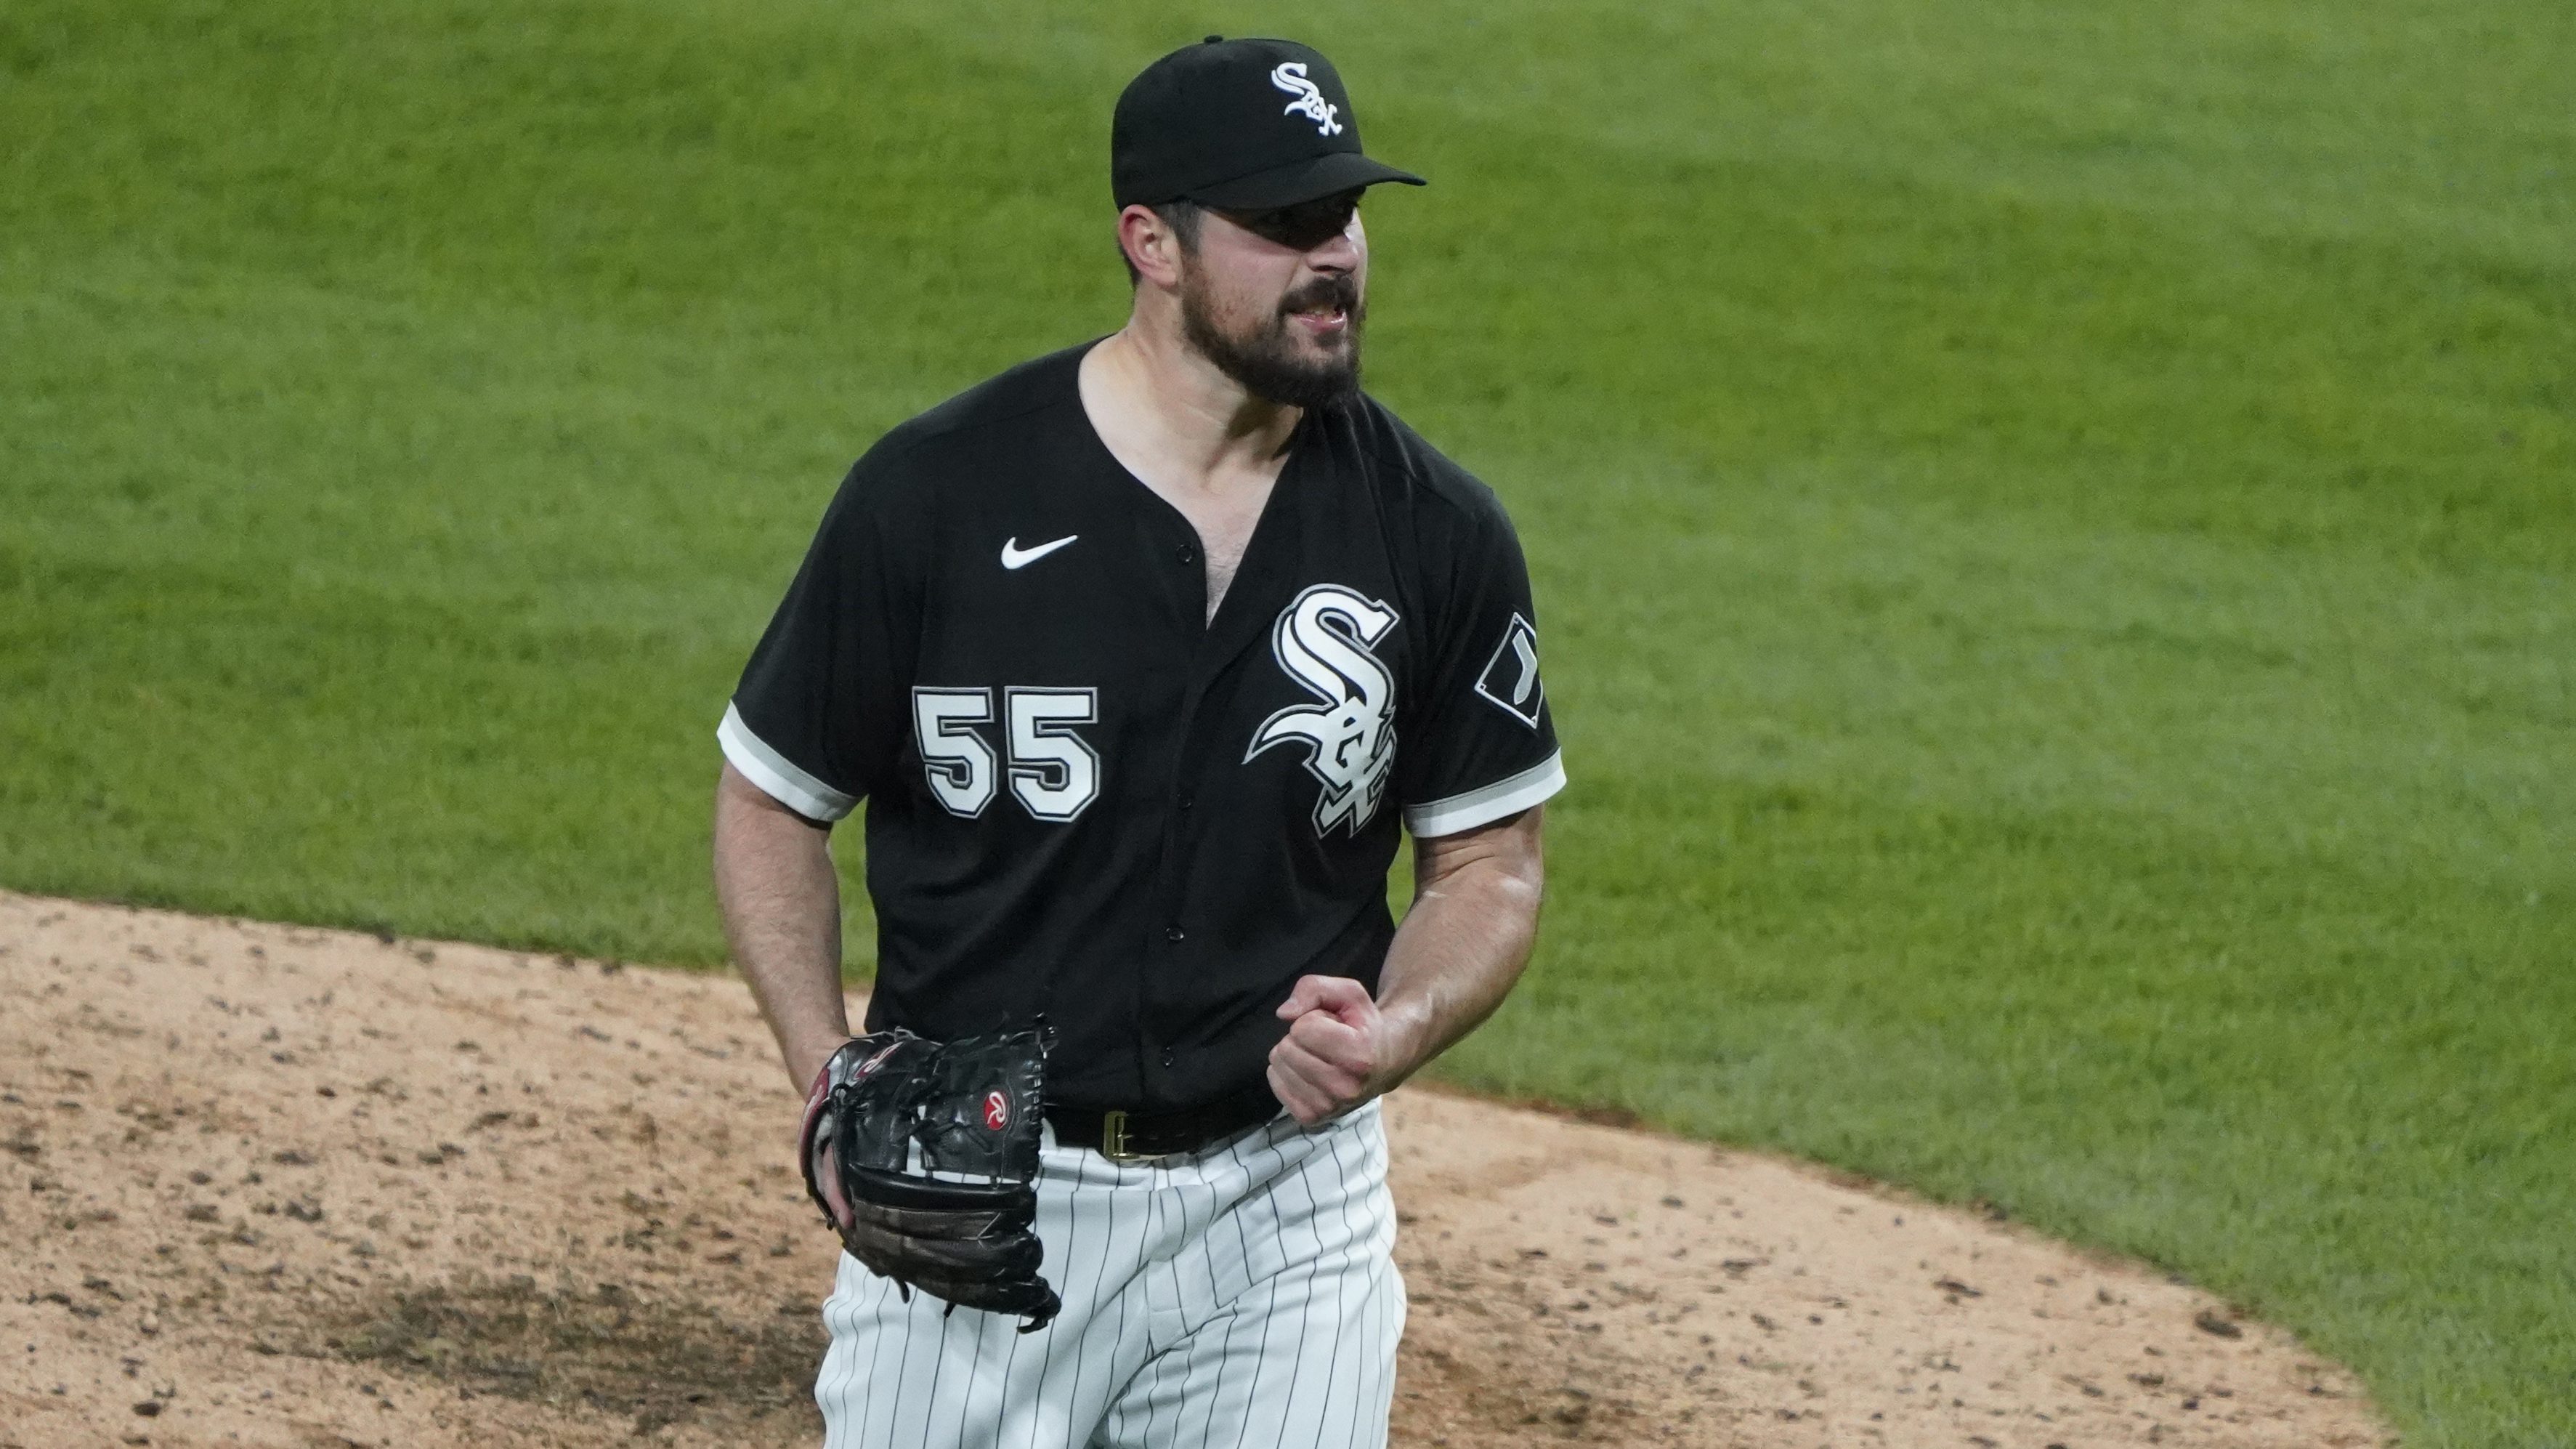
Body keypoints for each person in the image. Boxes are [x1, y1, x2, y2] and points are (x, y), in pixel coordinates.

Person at [710, 35, 1562, 1449]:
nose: (1335, 255)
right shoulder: (937, 497)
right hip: (981, 1202)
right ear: (1150, 241)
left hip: (1283, 1212)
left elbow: (1493, 864)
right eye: (1284, 222)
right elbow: (772, 797)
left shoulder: (1436, 529)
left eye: (1345, 213)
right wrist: (828, 1078)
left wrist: (1394, 1026)